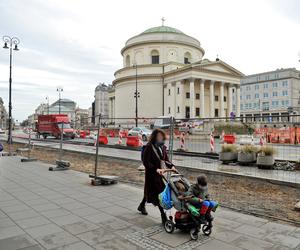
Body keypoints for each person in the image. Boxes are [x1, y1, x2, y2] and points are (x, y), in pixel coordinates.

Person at [137, 128, 176, 224]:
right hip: (151, 174)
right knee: (159, 194)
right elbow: (146, 162)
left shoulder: (162, 147)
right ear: (154, 137)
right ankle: (163, 216)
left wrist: (172, 166)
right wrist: (155, 169)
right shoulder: (149, 147)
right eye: (158, 136)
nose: (160, 138)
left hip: (160, 174)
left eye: (161, 136)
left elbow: (165, 159)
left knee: (151, 192)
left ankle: (141, 205)